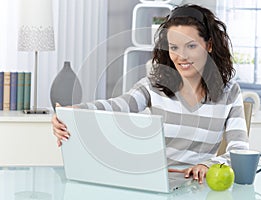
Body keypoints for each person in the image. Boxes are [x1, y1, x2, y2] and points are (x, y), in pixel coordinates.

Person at [52, 4, 249, 184]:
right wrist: (73, 112)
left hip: (198, 187)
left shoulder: (229, 92)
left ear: (209, 45)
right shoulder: (154, 85)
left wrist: (208, 165)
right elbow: (119, 105)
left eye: (191, 46)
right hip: (152, 184)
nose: (181, 57)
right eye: (174, 47)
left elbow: (240, 151)